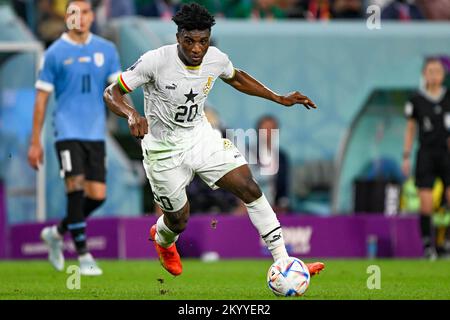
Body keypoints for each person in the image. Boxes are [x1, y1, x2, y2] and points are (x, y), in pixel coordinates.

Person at [104, 2, 324, 277]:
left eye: (203, 42)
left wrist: (278, 97)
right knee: (179, 219)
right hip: (162, 150)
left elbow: (237, 78)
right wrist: (131, 114)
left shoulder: (215, 58)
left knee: (249, 187)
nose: (197, 48)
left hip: (200, 137)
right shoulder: (155, 61)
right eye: (189, 41)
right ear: (178, 38)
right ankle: (163, 238)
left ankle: (283, 262)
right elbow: (112, 93)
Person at [28, 0, 122, 275]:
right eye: (73, 13)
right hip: (67, 131)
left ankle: (56, 233)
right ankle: (83, 256)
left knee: (97, 195)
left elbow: (118, 91)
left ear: (92, 16)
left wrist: (132, 115)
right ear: (67, 18)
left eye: (84, 12)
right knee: (75, 187)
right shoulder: (55, 52)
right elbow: (41, 99)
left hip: (95, 133)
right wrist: (35, 141)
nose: (79, 18)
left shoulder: (107, 49)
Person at [402, 57, 450, 260]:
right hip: (426, 154)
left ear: (443, 75)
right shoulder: (416, 100)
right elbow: (411, 128)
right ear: (424, 74)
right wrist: (406, 155)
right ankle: (428, 245)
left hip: (446, 154)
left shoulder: (449, 97)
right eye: (430, 71)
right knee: (426, 202)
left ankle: (446, 242)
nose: (434, 75)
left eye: (438, 71)